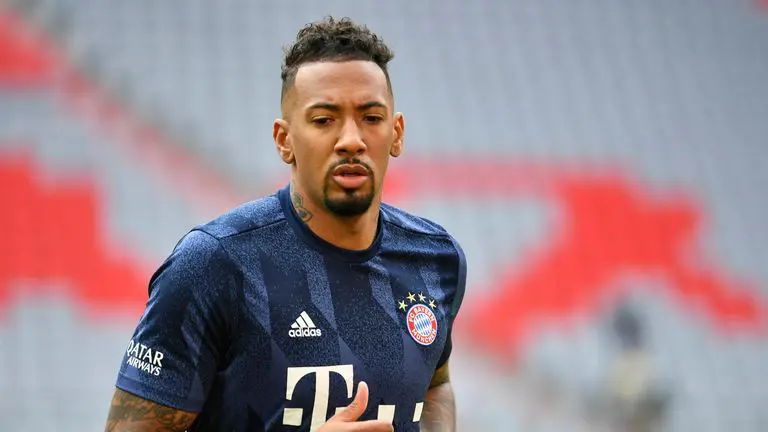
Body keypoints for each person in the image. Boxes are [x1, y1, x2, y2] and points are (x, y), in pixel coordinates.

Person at [104, 16, 466, 432]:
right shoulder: (213, 264)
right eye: (324, 119)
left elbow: (436, 385)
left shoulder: (436, 260)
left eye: (371, 117)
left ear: (396, 132)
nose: (351, 139)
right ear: (284, 140)